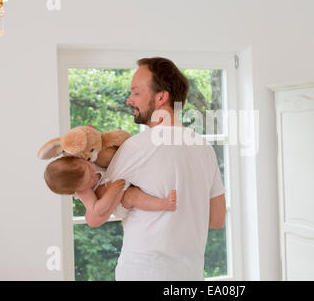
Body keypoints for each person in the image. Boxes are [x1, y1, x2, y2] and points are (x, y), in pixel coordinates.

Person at [89, 57, 227, 281]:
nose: (128, 100)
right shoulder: (203, 147)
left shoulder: (137, 147)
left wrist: (130, 195)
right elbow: (217, 218)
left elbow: (97, 214)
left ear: (161, 97)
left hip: (143, 273)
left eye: (136, 93)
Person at [43, 156, 177, 227]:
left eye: (89, 168)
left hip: (121, 182)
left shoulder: (85, 159)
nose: (93, 172)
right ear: (78, 189)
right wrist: (112, 192)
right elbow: (96, 210)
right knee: (133, 195)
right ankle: (164, 204)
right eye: (89, 180)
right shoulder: (84, 193)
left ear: (80, 159)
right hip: (117, 201)